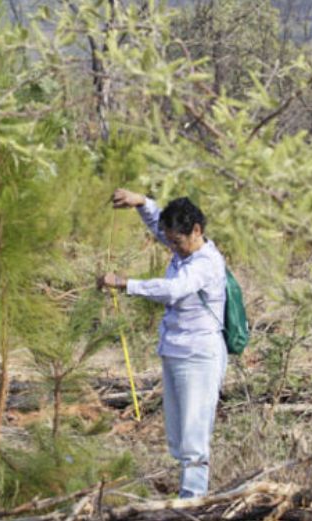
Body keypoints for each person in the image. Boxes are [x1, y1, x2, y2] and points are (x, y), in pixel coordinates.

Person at [97, 188, 227, 498]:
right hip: (175, 351)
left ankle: (192, 502)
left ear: (196, 231)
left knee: (194, 435)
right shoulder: (183, 247)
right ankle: (186, 493)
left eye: (177, 241)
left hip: (199, 356)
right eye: (170, 241)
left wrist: (126, 284)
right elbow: (160, 228)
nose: (173, 247)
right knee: (178, 436)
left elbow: (173, 290)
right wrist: (142, 202)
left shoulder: (204, 263)